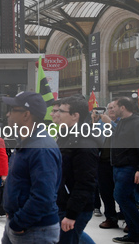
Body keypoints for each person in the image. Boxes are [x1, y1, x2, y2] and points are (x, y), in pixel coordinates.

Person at [1, 91, 62, 244]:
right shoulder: (26, 142)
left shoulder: (41, 148)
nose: (8, 114)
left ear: (26, 114)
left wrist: (18, 223)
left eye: (12, 109)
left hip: (34, 230)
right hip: (20, 224)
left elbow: (43, 196)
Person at [55, 96, 99, 244]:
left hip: (74, 207)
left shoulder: (84, 143)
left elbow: (85, 182)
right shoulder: (65, 136)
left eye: (61, 111)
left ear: (75, 116)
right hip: (63, 203)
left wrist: (72, 215)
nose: (57, 114)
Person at [110, 97, 139, 244]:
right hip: (118, 166)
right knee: (124, 199)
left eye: (114, 106)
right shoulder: (121, 122)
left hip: (129, 167)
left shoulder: (137, 123)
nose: (112, 109)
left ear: (122, 107)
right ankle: (134, 233)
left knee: (121, 196)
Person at [95, 100, 120, 229]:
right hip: (102, 162)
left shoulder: (123, 122)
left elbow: (122, 135)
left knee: (121, 193)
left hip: (118, 163)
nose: (111, 110)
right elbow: (95, 136)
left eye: (113, 107)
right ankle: (110, 217)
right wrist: (94, 123)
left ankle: (127, 218)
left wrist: (110, 123)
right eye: (109, 108)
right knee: (105, 192)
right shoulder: (101, 122)